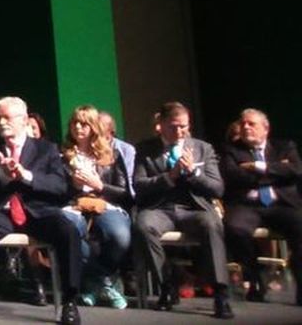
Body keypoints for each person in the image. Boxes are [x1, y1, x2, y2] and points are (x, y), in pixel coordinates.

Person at [0, 96, 83, 324]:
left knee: (69, 231)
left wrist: (26, 175)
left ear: (24, 120)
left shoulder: (46, 149)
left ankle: (70, 302)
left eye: (7, 117)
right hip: (2, 212)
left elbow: (59, 186)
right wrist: (3, 175)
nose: (1, 123)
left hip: (38, 212)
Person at [132, 100, 232, 318]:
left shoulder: (202, 149)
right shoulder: (145, 149)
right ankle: (165, 285)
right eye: (174, 126)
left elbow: (218, 188)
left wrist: (194, 174)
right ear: (161, 125)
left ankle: (220, 292)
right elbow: (139, 186)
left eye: (184, 126)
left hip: (193, 207)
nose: (180, 132)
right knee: (143, 225)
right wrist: (170, 176)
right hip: (161, 208)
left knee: (212, 223)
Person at [220, 108, 301, 305]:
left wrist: (258, 167)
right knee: (234, 228)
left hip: (281, 204)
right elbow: (231, 175)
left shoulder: (285, 147)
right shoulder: (231, 149)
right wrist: (277, 170)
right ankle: (255, 278)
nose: (245, 127)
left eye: (251, 124)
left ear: (265, 128)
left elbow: (296, 170)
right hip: (247, 205)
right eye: (243, 123)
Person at [58, 105, 131, 309]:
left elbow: (124, 192)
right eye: (75, 123)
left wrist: (99, 185)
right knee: (69, 232)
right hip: (73, 204)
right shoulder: (62, 155)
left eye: (84, 124)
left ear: (94, 127)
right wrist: (72, 185)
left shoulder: (112, 154)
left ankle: (93, 282)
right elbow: (54, 191)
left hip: (106, 203)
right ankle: (104, 282)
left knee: (120, 236)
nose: (78, 128)